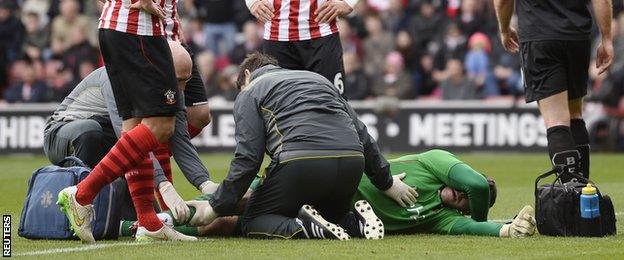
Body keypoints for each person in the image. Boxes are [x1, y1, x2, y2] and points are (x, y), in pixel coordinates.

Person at [177, 52, 418, 240]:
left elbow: (248, 160)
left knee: (254, 218)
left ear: (247, 75)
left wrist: (216, 207)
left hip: (301, 163)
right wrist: (386, 182)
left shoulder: (249, 92)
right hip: (352, 162)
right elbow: (362, 134)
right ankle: (354, 223)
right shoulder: (319, 80)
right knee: (329, 218)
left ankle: (303, 228)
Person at [125, 150, 536, 238]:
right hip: (328, 182)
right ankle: (157, 219)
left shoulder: (440, 217)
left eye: (462, 200)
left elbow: (472, 228)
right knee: (244, 201)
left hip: (336, 215)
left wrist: (502, 230)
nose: (455, 196)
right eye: (459, 189)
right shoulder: (435, 162)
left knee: (240, 226)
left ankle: (152, 228)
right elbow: (479, 187)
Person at [47, 41, 217, 240]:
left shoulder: (169, 87)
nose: (182, 89)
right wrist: (163, 184)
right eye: (178, 80)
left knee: (148, 215)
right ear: (159, 66)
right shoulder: (118, 78)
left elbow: (179, 138)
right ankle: (81, 207)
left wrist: (206, 184)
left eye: (186, 80)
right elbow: (129, 135)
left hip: (108, 141)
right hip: (62, 133)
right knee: (91, 132)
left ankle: (139, 224)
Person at [57, 0, 194, 244]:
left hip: (117, 29)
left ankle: (149, 223)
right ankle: (82, 194)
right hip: (137, 33)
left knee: (133, 126)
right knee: (162, 125)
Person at [494, 0, 614, 180]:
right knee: (575, 115)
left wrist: (504, 29)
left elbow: (503, 1)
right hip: (577, 37)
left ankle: (570, 195)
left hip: (540, 37)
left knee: (556, 119)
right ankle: (583, 194)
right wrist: (606, 38)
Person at [246, 0, 357, 95]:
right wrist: (252, 2)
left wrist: (349, 2)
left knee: (333, 100)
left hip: (322, 33)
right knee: (280, 104)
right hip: (277, 36)